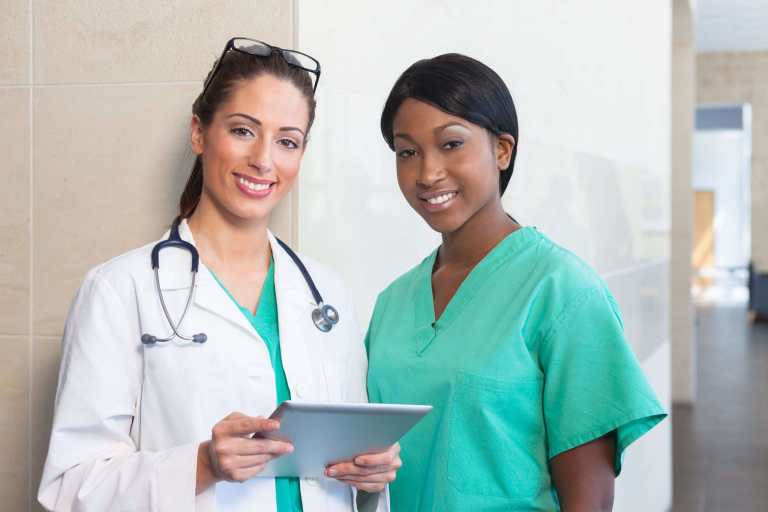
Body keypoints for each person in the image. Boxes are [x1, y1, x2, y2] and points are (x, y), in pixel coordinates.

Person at [38, 38, 399, 512]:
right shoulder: (119, 290)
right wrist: (203, 464)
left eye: (287, 141)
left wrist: (369, 478)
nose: (264, 160)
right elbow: (71, 485)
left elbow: (350, 463)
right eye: (244, 130)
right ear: (199, 133)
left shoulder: (329, 294)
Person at [365, 53, 667, 511]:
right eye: (408, 152)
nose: (427, 173)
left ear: (501, 150)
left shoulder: (564, 292)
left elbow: (588, 500)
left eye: (451, 144)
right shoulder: (392, 302)